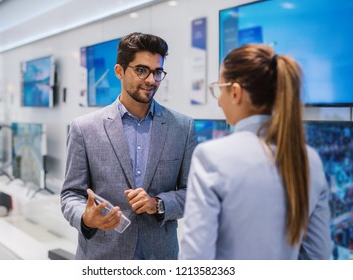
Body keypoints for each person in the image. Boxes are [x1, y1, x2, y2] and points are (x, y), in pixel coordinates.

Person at [180, 44, 331, 260]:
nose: (219, 100)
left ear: (235, 92)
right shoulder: (309, 160)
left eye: (219, 88)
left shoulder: (211, 156)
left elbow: (195, 261)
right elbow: (318, 257)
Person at [61, 32, 197, 260]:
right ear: (119, 71)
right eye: (142, 70)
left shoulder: (182, 127)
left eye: (157, 72)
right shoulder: (84, 128)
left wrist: (159, 204)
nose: (152, 80)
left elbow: (192, 193)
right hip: (102, 256)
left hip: (158, 256)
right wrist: (86, 217)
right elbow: (70, 194)